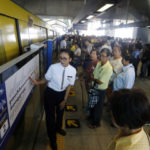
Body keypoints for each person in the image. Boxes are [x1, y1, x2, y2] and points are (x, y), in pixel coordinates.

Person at [30, 49, 76, 150]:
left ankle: (59, 128)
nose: (62, 60)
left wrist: (64, 99)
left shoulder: (73, 70)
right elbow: (46, 79)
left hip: (62, 94)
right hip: (50, 94)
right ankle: (52, 139)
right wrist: (37, 83)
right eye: (60, 58)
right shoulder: (53, 67)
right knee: (50, 119)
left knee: (60, 113)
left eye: (65, 58)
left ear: (70, 59)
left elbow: (69, 86)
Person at [88, 48, 113, 128]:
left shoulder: (109, 68)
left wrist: (93, 78)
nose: (101, 57)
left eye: (103, 56)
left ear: (108, 57)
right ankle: (91, 117)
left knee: (98, 107)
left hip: (101, 90)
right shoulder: (99, 63)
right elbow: (94, 74)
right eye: (100, 55)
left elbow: (100, 81)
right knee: (92, 103)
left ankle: (96, 123)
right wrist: (93, 78)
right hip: (94, 86)